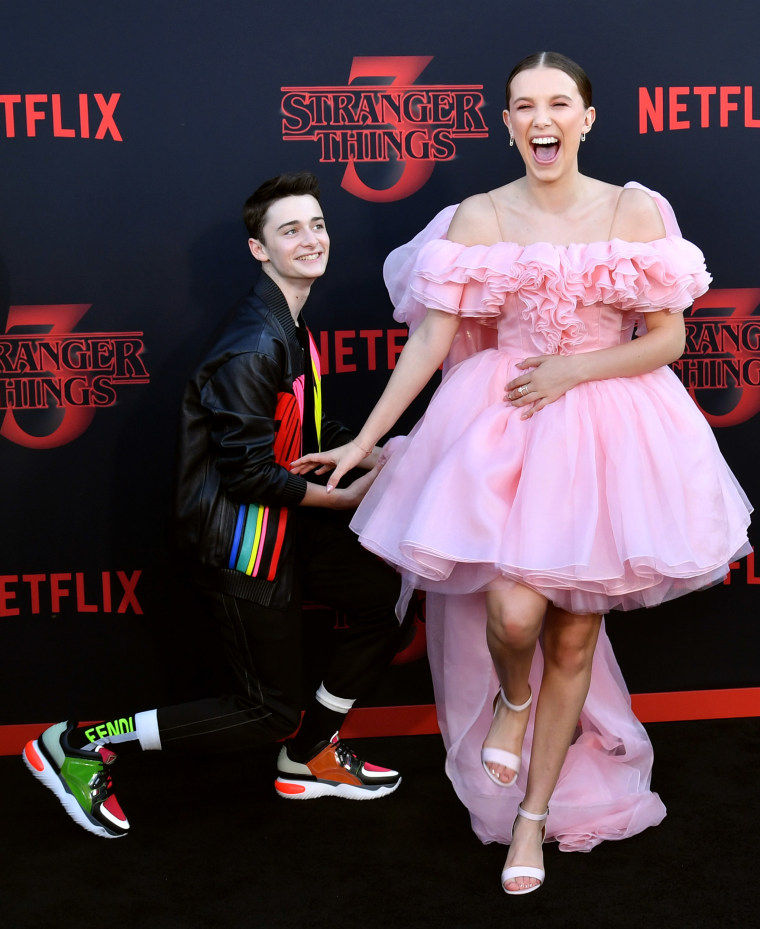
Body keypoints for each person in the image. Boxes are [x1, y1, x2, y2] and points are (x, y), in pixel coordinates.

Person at [291, 53, 752, 895]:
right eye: (523, 106)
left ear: (586, 118)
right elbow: (430, 342)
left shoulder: (633, 209)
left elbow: (668, 338)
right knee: (512, 611)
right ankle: (512, 700)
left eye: (559, 104)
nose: (543, 119)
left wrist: (574, 370)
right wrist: (364, 443)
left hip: (610, 430)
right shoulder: (479, 215)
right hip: (504, 428)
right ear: (507, 124)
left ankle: (531, 821)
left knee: (575, 631)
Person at [23, 171, 405, 839]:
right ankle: (78, 742)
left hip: (285, 523)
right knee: (265, 709)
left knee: (382, 597)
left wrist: (367, 450)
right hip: (240, 538)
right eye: (291, 230)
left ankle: (311, 753)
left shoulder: (288, 321)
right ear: (260, 249)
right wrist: (342, 494)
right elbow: (251, 474)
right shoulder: (253, 342)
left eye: (316, 224)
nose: (311, 239)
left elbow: (300, 433)